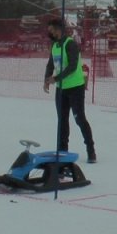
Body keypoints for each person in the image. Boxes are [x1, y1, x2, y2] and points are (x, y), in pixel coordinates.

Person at [43, 18, 96, 164]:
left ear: (58, 29)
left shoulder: (70, 44)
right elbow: (50, 64)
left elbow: (72, 66)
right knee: (62, 121)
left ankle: (91, 150)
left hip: (75, 88)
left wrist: (56, 78)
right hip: (61, 89)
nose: (49, 32)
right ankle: (62, 152)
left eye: (51, 29)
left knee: (79, 119)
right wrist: (47, 79)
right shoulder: (55, 46)